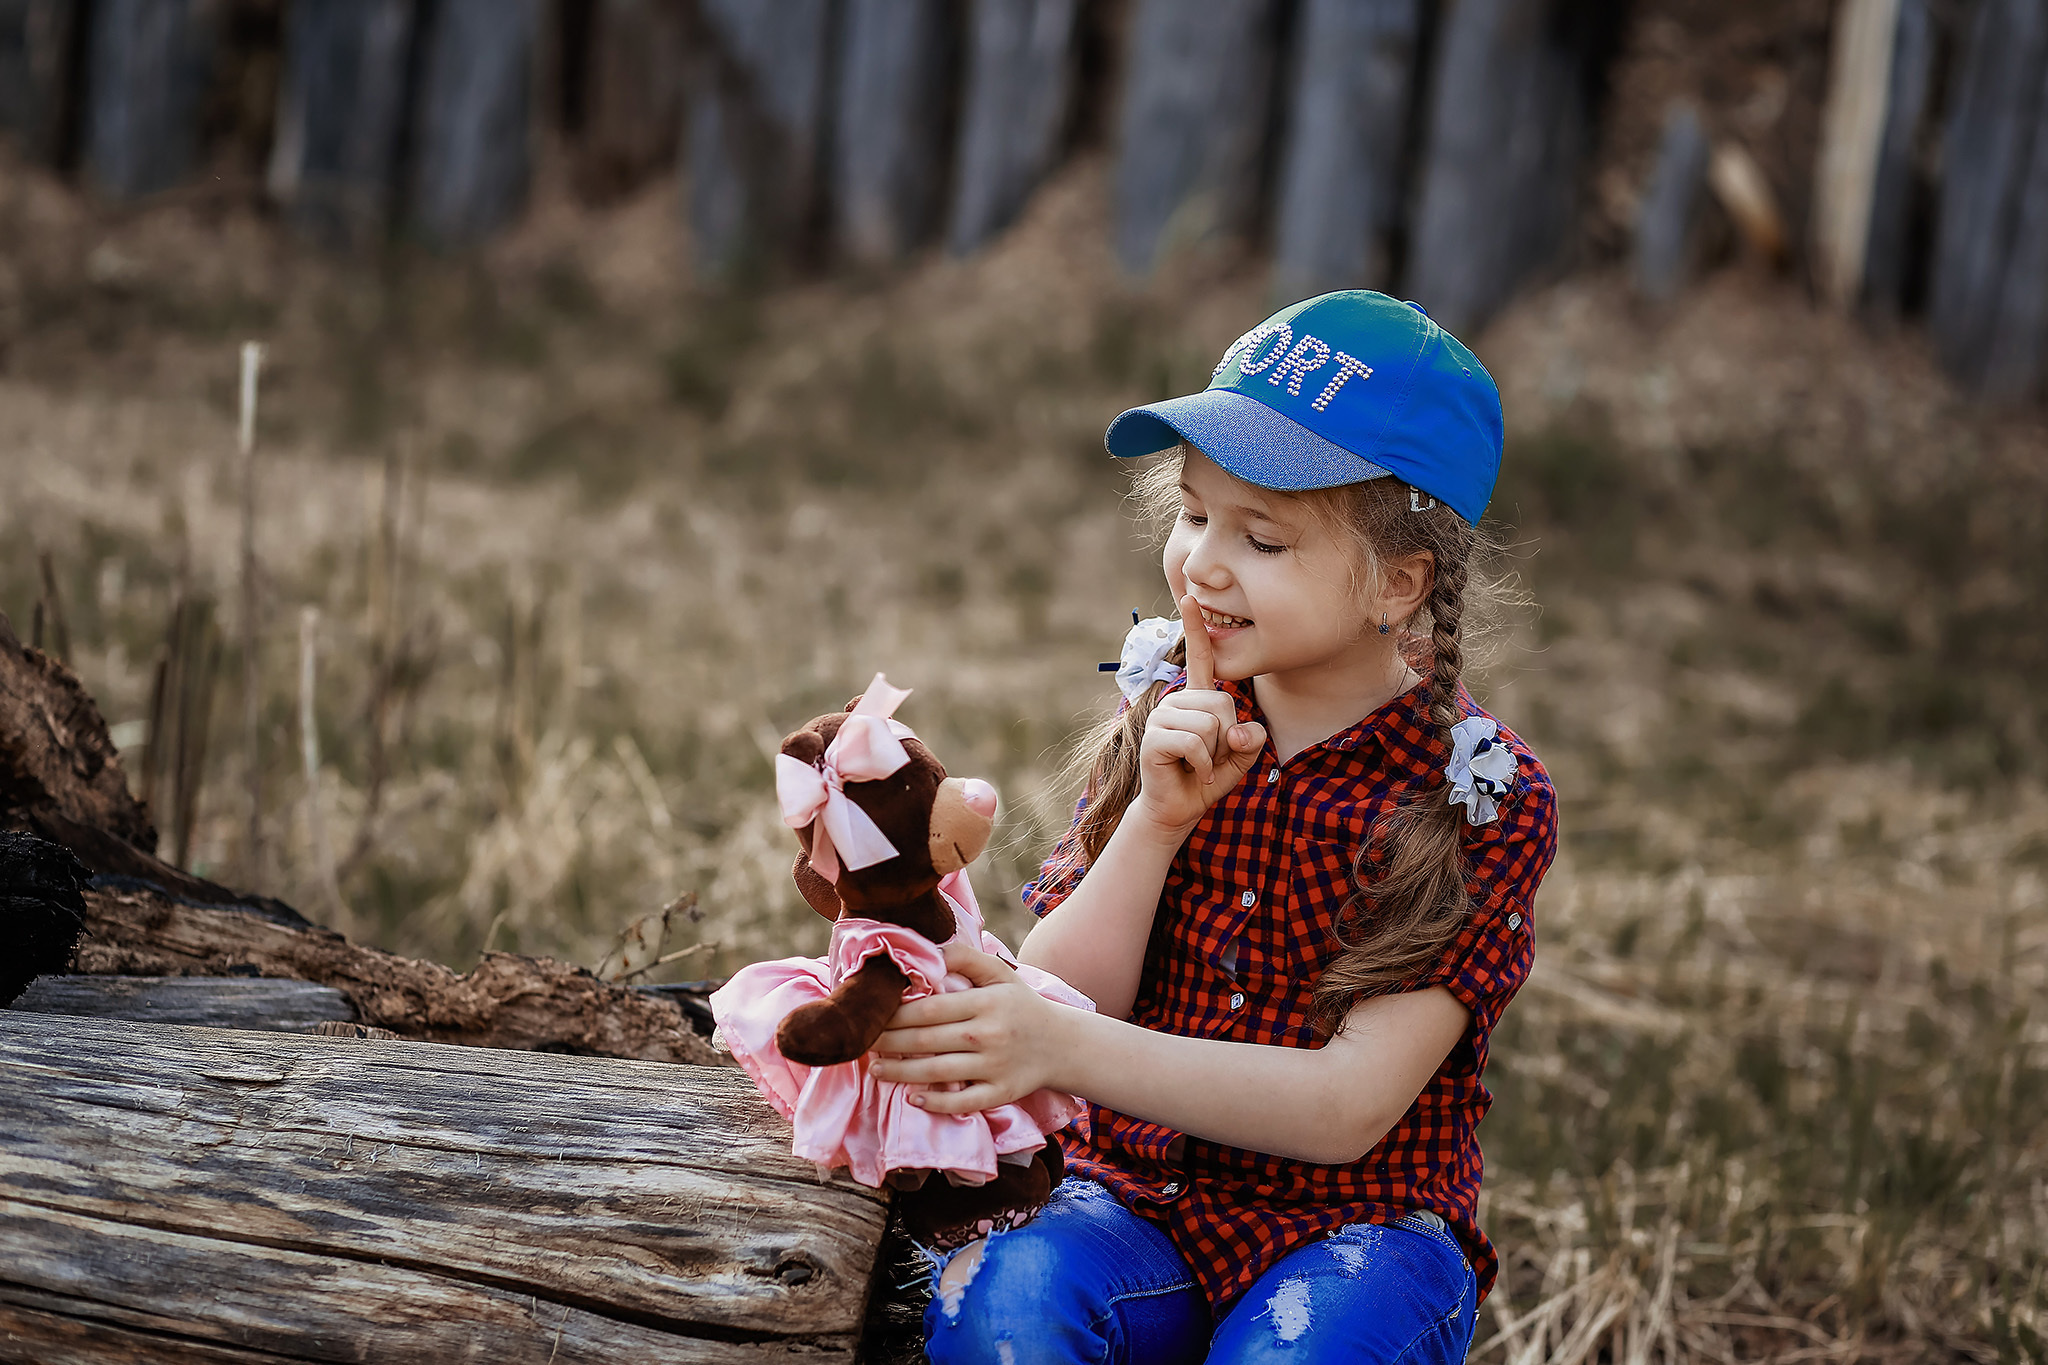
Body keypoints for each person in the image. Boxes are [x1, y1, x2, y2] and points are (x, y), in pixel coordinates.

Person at [867, 290, 1559, 1363]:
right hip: (1129, 1203)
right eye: (1192, 514)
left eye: (1262, 538)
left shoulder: (1475, 797)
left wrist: (1061, 1046)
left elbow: (1344, 1108)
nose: (1200, 564)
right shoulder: (1168, 721)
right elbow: (1057, 993)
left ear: (1397, 583)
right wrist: (1153, 822)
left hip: (1354, 1235)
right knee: (1001, 1302)